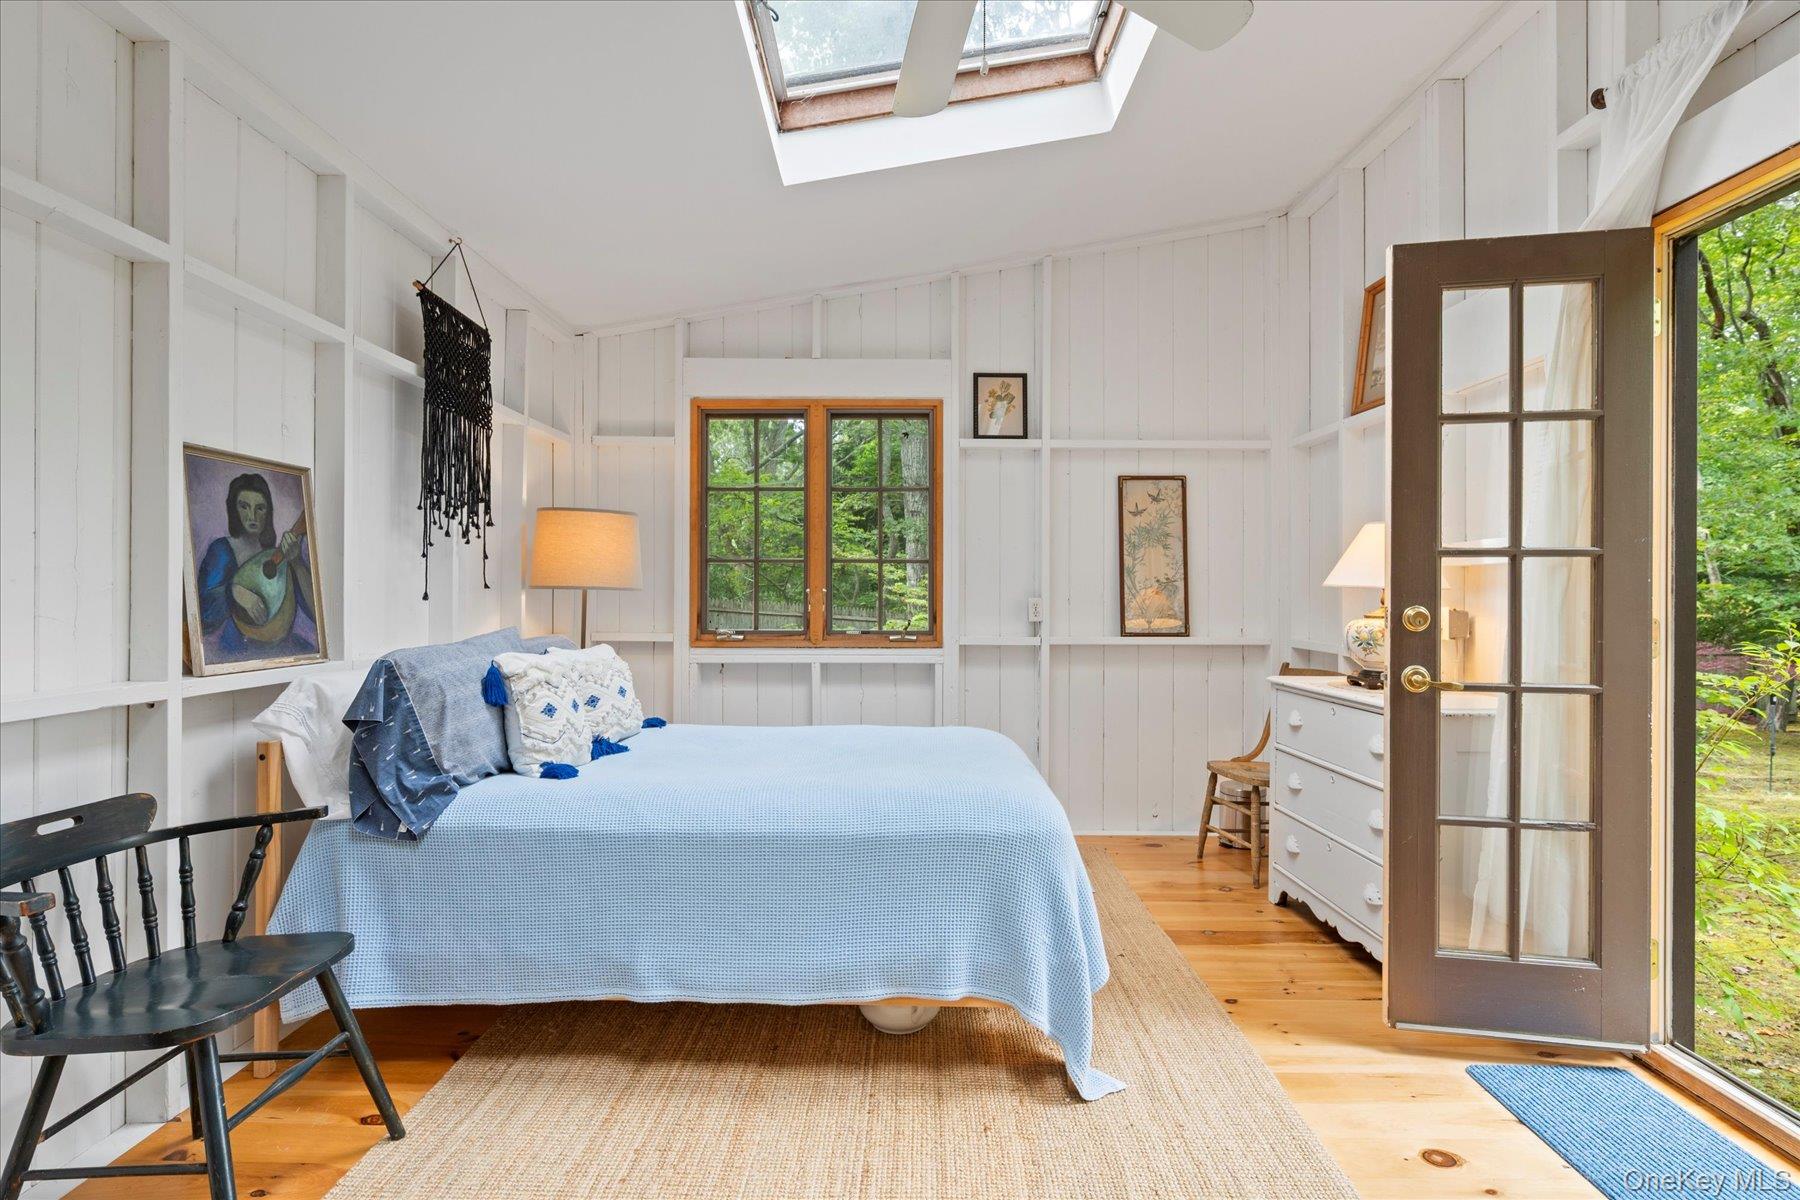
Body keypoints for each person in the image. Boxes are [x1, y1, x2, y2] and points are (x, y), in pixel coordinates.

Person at [196, 472, 315, 658]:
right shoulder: (221, 551)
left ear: (268, 512)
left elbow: (317, 615)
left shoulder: (280, 554)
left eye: (260, 508)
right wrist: (234, 591)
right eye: (244, 506)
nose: (252, 516)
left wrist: (297, 562)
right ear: (233, 510)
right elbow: (202, 617)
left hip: (284, 652)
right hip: (238, 653)